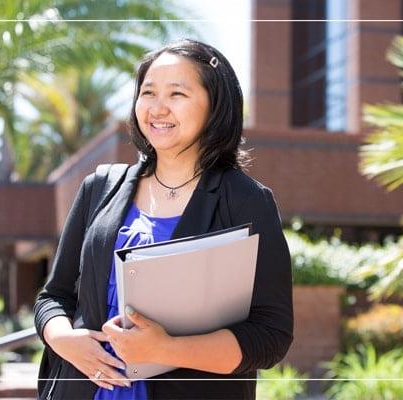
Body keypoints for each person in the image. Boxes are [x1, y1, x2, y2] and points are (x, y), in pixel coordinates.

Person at [33, 38, 293, 400]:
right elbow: (54, 296)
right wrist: (65, 340)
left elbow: (270, 334)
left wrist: (165, 350)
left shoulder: (247, 201)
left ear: (214, 105)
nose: (157, 108)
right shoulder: (99, 188)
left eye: (177, 94)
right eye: (148, 93)